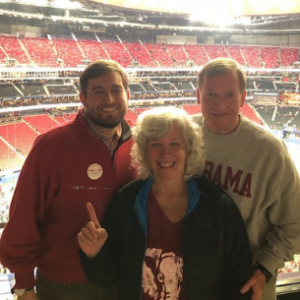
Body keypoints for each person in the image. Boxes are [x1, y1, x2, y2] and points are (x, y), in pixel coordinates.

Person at [78, 107, 253, 300]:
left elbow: (238, 277)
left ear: (188, 149)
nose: (165, 153)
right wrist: (94, 254)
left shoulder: (217, 205)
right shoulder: (127, 201)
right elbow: (106, 277)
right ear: (144, 150)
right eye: (155, 145)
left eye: (174, 144)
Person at [0, 60, 137, 300]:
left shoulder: (138, 145)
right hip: (67, 288)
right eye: (98, 92)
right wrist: (23, 286)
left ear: (127, 94)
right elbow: (23, 217)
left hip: (122, 280)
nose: (110, 100)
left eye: (116, 90)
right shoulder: (51, 147)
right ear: (82, 98)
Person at [193, 57, 300, 300]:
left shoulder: (271, 152)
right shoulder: (182, 135)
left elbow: (295, 223)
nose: (220, 104)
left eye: (230, 95)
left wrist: (263, 269)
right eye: (211, 94)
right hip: (191, 275)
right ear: (198, 96)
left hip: (247, 283)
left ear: (243, 98)